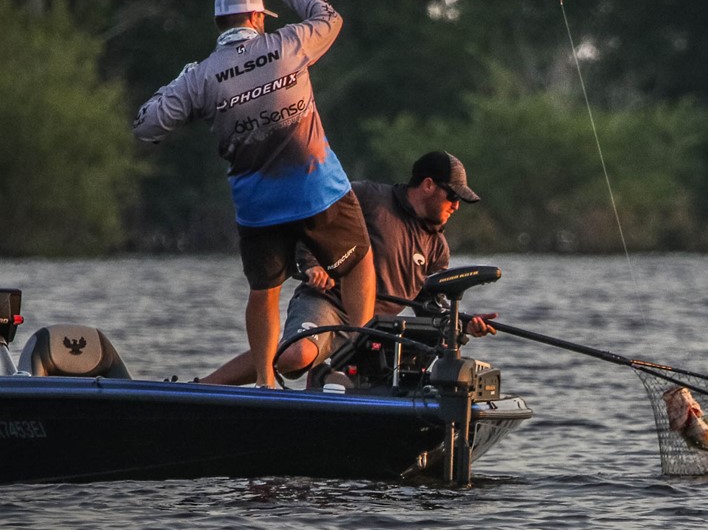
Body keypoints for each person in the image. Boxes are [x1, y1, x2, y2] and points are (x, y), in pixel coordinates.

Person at [132, 0, 376, 388]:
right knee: (358, 263)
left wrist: (188, 84)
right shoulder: (290, 43)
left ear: (218, 25)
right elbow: (330, 17)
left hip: (258, 207)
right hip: (318, 190)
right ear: (259, 19)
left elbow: (146, 126)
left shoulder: (200, 76)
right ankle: (361, 358)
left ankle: (264, 382)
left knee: (265, 292)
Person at [201, 151, 496, 385]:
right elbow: (314, 219)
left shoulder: (437, 247)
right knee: (296, 356)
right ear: (429, 185)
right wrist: (312, 264)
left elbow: (430, 306)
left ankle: (323, 376)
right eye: (453, 196)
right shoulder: (368, 197)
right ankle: (203, 387)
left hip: (372, 329)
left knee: (375, 383)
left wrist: (463, 323)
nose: (456, 206)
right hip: (327, 303)